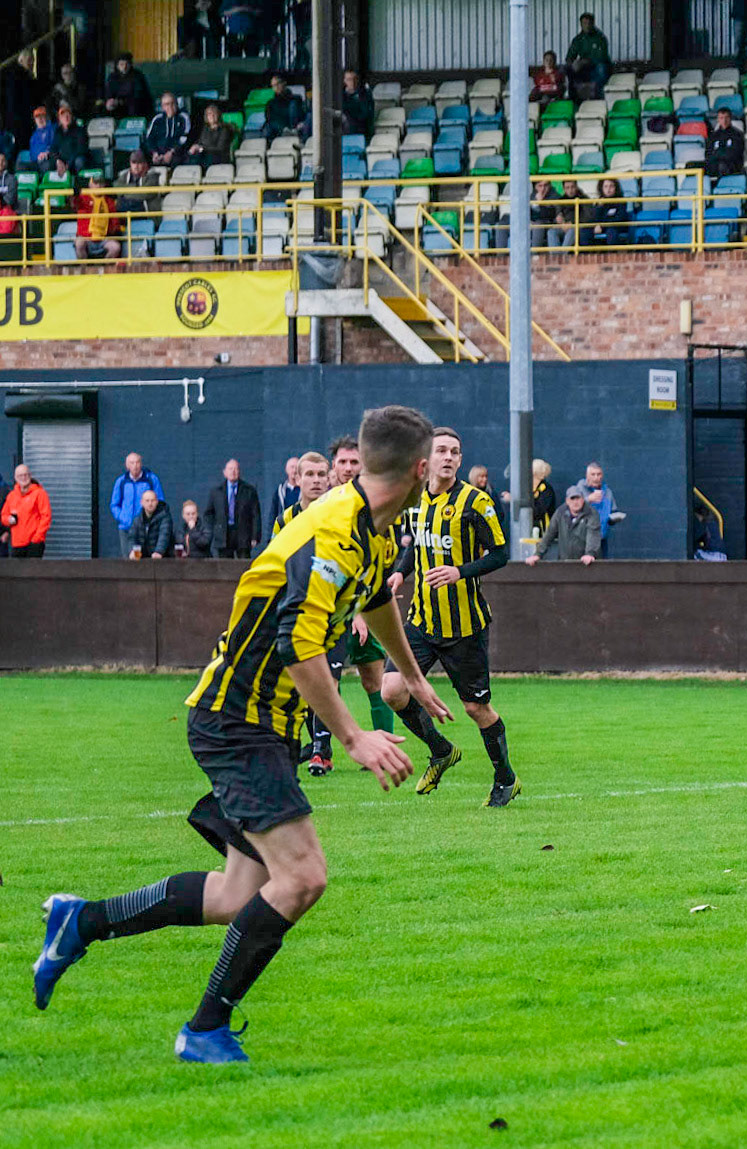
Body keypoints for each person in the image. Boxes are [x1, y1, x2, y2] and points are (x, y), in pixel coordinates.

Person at [30, 405, 450, 1064]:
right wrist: (353, 736)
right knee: (304, 875)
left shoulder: (373, 530)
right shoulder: (335, 531)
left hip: (263, 725)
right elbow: (299, 646)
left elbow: (374, 602)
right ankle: (202, 1030)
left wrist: (411, 675)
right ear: (421, 470)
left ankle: (80, 921)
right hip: (237, 721)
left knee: (236, 895)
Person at [381, 426, 520, 808]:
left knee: (476, 709)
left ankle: (505, 778)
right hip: (421, 622)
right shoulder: (415, 501)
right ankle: (441, 750)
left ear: (460, 460)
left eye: (455, 452)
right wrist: (400, 572)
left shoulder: (476, 503)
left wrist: (459, 571)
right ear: (426, 458)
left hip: (464, 627)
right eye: (441, 450)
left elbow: (500, 554)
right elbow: (418, 546)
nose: (448, 457)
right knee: (391, 690)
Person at [312, 435, 397, 766]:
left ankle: (385, 748)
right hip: (333, 610)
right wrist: (352, 611)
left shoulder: (377, 507)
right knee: (324, 680)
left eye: (354, 462)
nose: (348, 468)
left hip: (365, 607)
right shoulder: (326, 508)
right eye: (343, 462)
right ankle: (322, 751)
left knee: (374, 679)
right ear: (334, 466)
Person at [526, 486, 601, 565]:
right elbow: (549, 534)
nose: (575, 502)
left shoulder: (591, 513)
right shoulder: (560, 513)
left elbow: (593, 535)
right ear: (567, 501)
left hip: (587, 563)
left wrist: (590, 554)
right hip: (565, 562)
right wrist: (537, 554)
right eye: (572, 499)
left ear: (583, 500)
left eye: (578, 498)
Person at [205, 458, 262, 559]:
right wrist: (214, 530)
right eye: (230, 469)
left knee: (243, 567)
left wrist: (255, 537)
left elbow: (255, 515)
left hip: (243, 535)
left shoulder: (249, 491)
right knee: (224, 569)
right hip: (223, 536)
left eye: (236, 469)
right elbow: (209, 514)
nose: (233, 471)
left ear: (239, 472)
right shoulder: (216, 492)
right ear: (224, 472)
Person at [110, 452, 166, 554]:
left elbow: (160, 502)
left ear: (141, 464)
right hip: (126, 529)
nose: (135, 466)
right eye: (132, 463)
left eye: (137, 462)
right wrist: (124, 518)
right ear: (127, 466)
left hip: (145, 529)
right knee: (128, 561)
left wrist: (151, 520)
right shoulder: (121, 481)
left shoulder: (151, 479)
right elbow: (114, 505)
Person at [269, 451, 328, 537]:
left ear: (328, 480)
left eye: (321, 474)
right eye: (310, 474)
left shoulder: (340, 516)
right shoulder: (284, 520)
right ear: (298, 480)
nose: (316, 480)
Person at [573, 461, 622, 556]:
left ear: (602, 476)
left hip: (601, 538)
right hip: (582, 538)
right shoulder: (579, 489)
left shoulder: (607, 492)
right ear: (587, 476)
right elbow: (571, 510)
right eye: (593, 474)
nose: (596, 477)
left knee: (602, 568)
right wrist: (588, 500)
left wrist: (615, 518)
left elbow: (613, 511)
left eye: (598, 474)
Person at [4, 464, 51, 556]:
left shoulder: (40, 493)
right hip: (17, 544)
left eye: (26, 474)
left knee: (33, 570)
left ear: (30, 476)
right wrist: (8, 520)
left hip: (34, 544)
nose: (23, 478)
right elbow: (3, 516)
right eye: (20, 475)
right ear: (15, 478)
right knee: (17, 570)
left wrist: (37, 538)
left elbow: (46, 517)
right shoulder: (12, 496)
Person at [565, 13, 611, 101]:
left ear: (593, 23)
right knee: (568, 69)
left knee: (601, 69)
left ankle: (598, 97)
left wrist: (584, 61)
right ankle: (573, 99)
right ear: (581, 24)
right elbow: (570, 56)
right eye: (584, 23)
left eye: (589, 23)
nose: (587, 26)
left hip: (597, 66)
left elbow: (601, 57)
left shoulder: (600, 38)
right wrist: (572, 64)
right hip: (584, 67)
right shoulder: (578, 39)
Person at [145, 92, 191, 167]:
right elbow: (149, 138)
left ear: (177, 104)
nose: (170, 106)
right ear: (163, 107)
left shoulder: (183, 117)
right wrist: (155, 153)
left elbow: (184, 138)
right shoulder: (157, 119)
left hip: (177, 154)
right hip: (159, 155)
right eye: (167, 104)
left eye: (172, 103)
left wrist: (171, 152)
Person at [103, 53, 153, 119]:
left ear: (130, 65)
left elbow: (139, 96)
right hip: (117, 106)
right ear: (117, 66)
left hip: (134, 105)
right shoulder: (112, 77)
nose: (124, 67)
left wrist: (119, 102)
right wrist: (109, 102)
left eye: (127, 64)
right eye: (121, 64)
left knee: (134, 107)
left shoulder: (138, 76)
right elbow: (108, 93)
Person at [188, 102, 235, 169]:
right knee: (190, 158)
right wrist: (195, 147)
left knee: (203, 160)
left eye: (214, 113)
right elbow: (200, 142)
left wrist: (202, 149)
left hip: (219, 156)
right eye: (209, 114)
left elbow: (220, 148)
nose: (212, 116)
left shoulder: (224, 130)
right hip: (205, 154)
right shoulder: (205, 129)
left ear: (218, 115)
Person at [705, 106, 746, 181]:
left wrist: (718, 154)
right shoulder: (713, 135)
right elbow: (708, 153)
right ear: (718, 119)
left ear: (730, 118)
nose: (724, 121)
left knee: (722, 165)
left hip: (731, 165)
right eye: (721, 118)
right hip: (714, 163)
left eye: (726, 118)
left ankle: (722, 189)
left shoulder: (737, 134)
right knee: (692, 165)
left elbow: (735, 154)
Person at [263, 75, 306, 143]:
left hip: (296, 128)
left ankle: (295, 135)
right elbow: (270, 119)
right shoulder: (271, 103)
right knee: (267, 126)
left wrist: (301, 124)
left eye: (278, 84)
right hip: (280, 130)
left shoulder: (296, 99)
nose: (276, 87)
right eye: (273, 86)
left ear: (284, 83)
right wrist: (283, 129)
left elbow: (303, 114)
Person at [115, 150, 161, 215]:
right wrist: (135, 188)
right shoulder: (125, 175)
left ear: (145, 164)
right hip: (125, 212)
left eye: (139, 163)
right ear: (130, 163)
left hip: (145, 214)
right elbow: (116, 187)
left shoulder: (153, 176)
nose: (136, 166)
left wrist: (125, 193)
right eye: (134, 163)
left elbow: (145, 194)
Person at [266, 455, 301, 537]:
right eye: (292, 467)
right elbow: (273, 514)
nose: (294, 470)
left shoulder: (305, 491)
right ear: (287, 470)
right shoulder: (280, 491)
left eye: (297, 467)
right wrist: (270, 536)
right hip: (283, 533)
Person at [129, 492, 171, 560]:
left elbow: (164, 535)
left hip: (162, 558)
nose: (150, 503)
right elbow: (132, 537)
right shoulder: (137, 519)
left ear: (157, 501)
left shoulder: (165, 517)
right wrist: (132, 550)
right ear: (142, 502)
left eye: (152, 500)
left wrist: (159, 551)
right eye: (147, 501)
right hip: (143, 558)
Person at [55, 104, 91, 170]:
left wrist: (69, 164)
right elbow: (53, 149)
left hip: (75, 160)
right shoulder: (57, 132)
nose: (66, 117)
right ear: (59, 119)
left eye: (68, 115)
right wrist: (58, 160)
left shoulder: (80, 130)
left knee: (79, 161)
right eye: (63, 116)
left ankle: (80, 180)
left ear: (72, 117)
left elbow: (81, 150)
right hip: (63, 160)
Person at [340, 69, 373, 136]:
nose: (352, 82)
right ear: (344, 81)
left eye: (355, 79)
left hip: (361, 130)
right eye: (349, 79)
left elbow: (366, 113)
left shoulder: (365, 95)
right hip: (345, 131)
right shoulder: (339, 96)